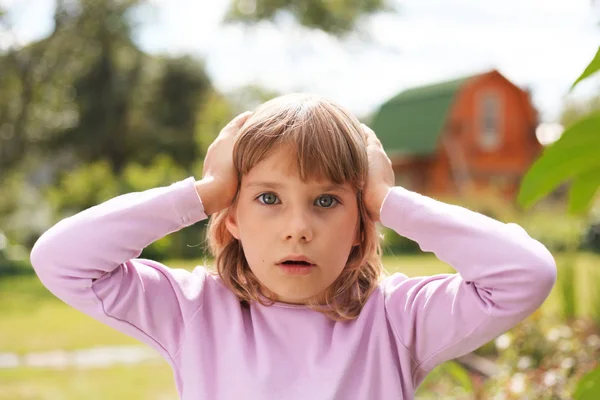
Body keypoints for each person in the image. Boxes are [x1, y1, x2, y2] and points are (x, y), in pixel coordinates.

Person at [30, 93, 557, 400]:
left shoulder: (397, 318)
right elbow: (61, 259)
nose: (298, 228)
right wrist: (205, 192)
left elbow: (524, 274)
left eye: (327, 201)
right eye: (268, 198)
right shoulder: (192, 310)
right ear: (231, 217)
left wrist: (387, 198)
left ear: (360, 221)